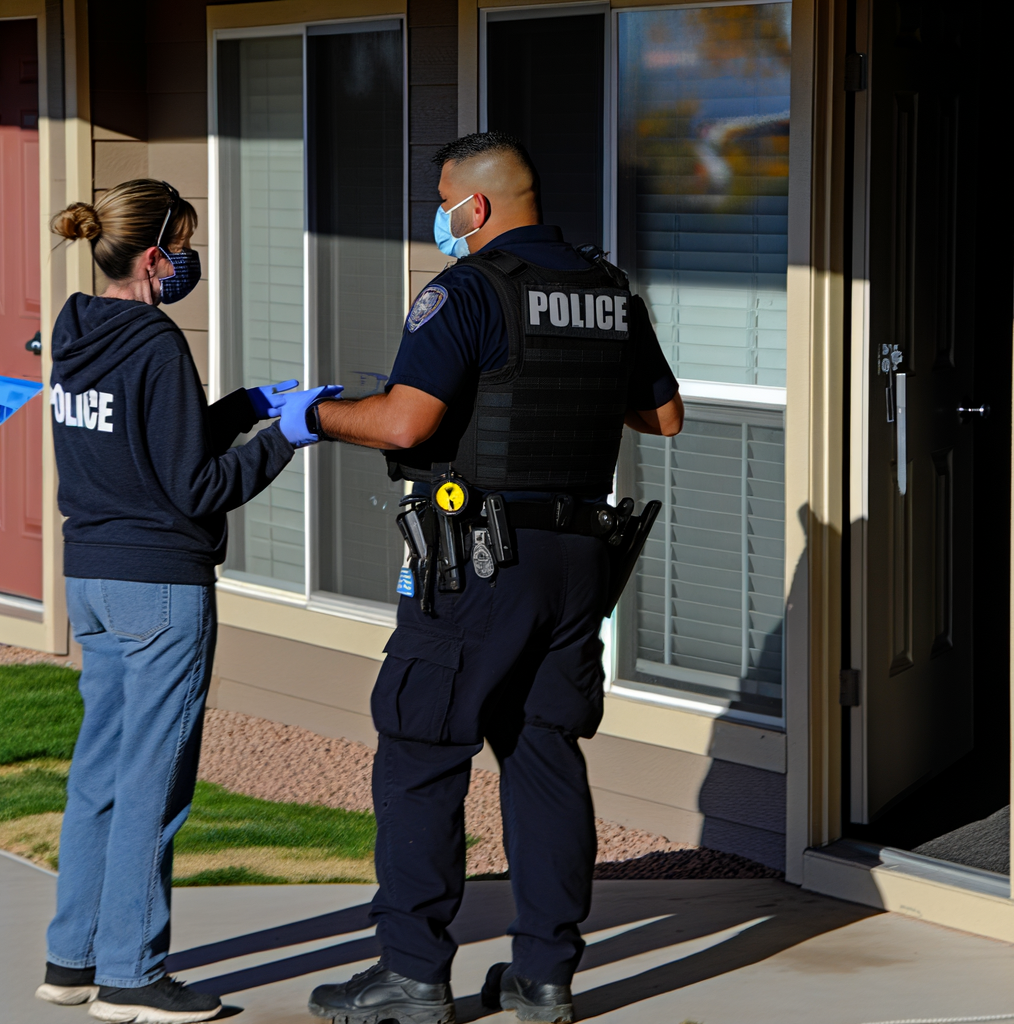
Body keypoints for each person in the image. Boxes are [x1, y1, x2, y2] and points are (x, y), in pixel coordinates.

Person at [305, 133, 683, 1024]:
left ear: (475, 208)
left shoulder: (467, 289)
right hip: (579, 560)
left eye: (443, 201)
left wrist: (314, 414)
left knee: (422, 751)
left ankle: (412, 977)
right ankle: (545, 979)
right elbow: (663, 415)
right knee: (545, 753)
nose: (439, 217)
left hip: (480, 559)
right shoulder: (606, 289)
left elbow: (403, 423)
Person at [35, 179, 338, 1024]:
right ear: (157, 252)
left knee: (98, 773)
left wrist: (242, 407)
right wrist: (285, 437)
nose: (190, 261)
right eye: (187, 243)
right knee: (153, 786)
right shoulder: (157, 341)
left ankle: (74, 959)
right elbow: (197, 486)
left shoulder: (76, 332)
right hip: (161, 588)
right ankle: (133, 976)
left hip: (90, 579)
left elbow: (147, 446)